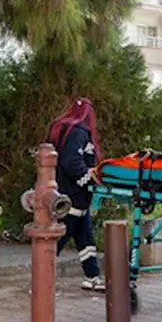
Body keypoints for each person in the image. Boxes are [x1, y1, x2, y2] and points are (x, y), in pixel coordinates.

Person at [46, 98, 105, 291]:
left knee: (85, 237)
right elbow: (72, 162)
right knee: (59, 238)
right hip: (73, 196)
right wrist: (89, 180)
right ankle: (42, 280)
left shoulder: (60, 128)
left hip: (64, 192)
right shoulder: (79, 132)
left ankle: (92, 276)